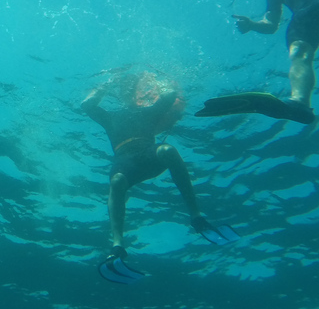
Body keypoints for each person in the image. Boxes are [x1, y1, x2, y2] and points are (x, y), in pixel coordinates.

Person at [82, 71, 238, 284]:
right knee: (117, 181)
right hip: (125, 161)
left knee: (167, 150)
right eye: (125, 90)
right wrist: (107, 84)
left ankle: (197, 216)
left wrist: (156, 78)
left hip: (148, 154)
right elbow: (87, 105)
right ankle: (117, 246)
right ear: (120, 95)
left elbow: (170, 95)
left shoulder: (149, 112)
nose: (128, 93)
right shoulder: (110, 117)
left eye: (132, 90)